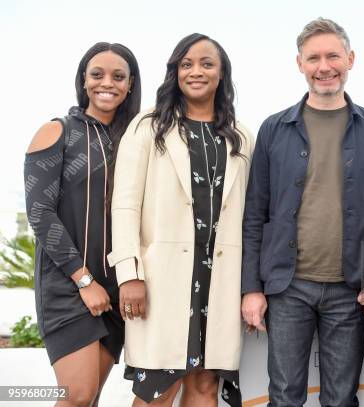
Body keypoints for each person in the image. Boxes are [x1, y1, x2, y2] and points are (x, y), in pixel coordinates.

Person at [241, 17, 364, 406]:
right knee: (283, 396)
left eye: (332, 56)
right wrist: (251, 289)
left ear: (350, 59)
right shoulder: (274, 129)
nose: (323, 66)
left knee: (341, 398)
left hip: (351, 290)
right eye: (313, 58)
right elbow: (254, 215)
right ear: (300, 64)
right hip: (287, 287)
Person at [108, 33, 253, 407]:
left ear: (222, 75)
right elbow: (124, 206)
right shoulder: (147, 127)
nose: (196, 71)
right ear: (175, 72)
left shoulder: (240, 138)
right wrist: (130, 274)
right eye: (186, 64)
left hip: (219, 281)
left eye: (207, 64)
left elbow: (251, 215)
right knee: (157, 388)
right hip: (161, 279)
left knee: (205, 385)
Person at [24, 42, 141, 406]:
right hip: (68, 283)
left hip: (117, 290)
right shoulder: (56, 131)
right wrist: (84, 279)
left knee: (89, 399)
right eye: (97, 74)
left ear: (130, 85)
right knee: (77, 395)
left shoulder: (134, 141)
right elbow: (40, 214)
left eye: (118, 76)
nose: (107, 83)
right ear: (83, 80)